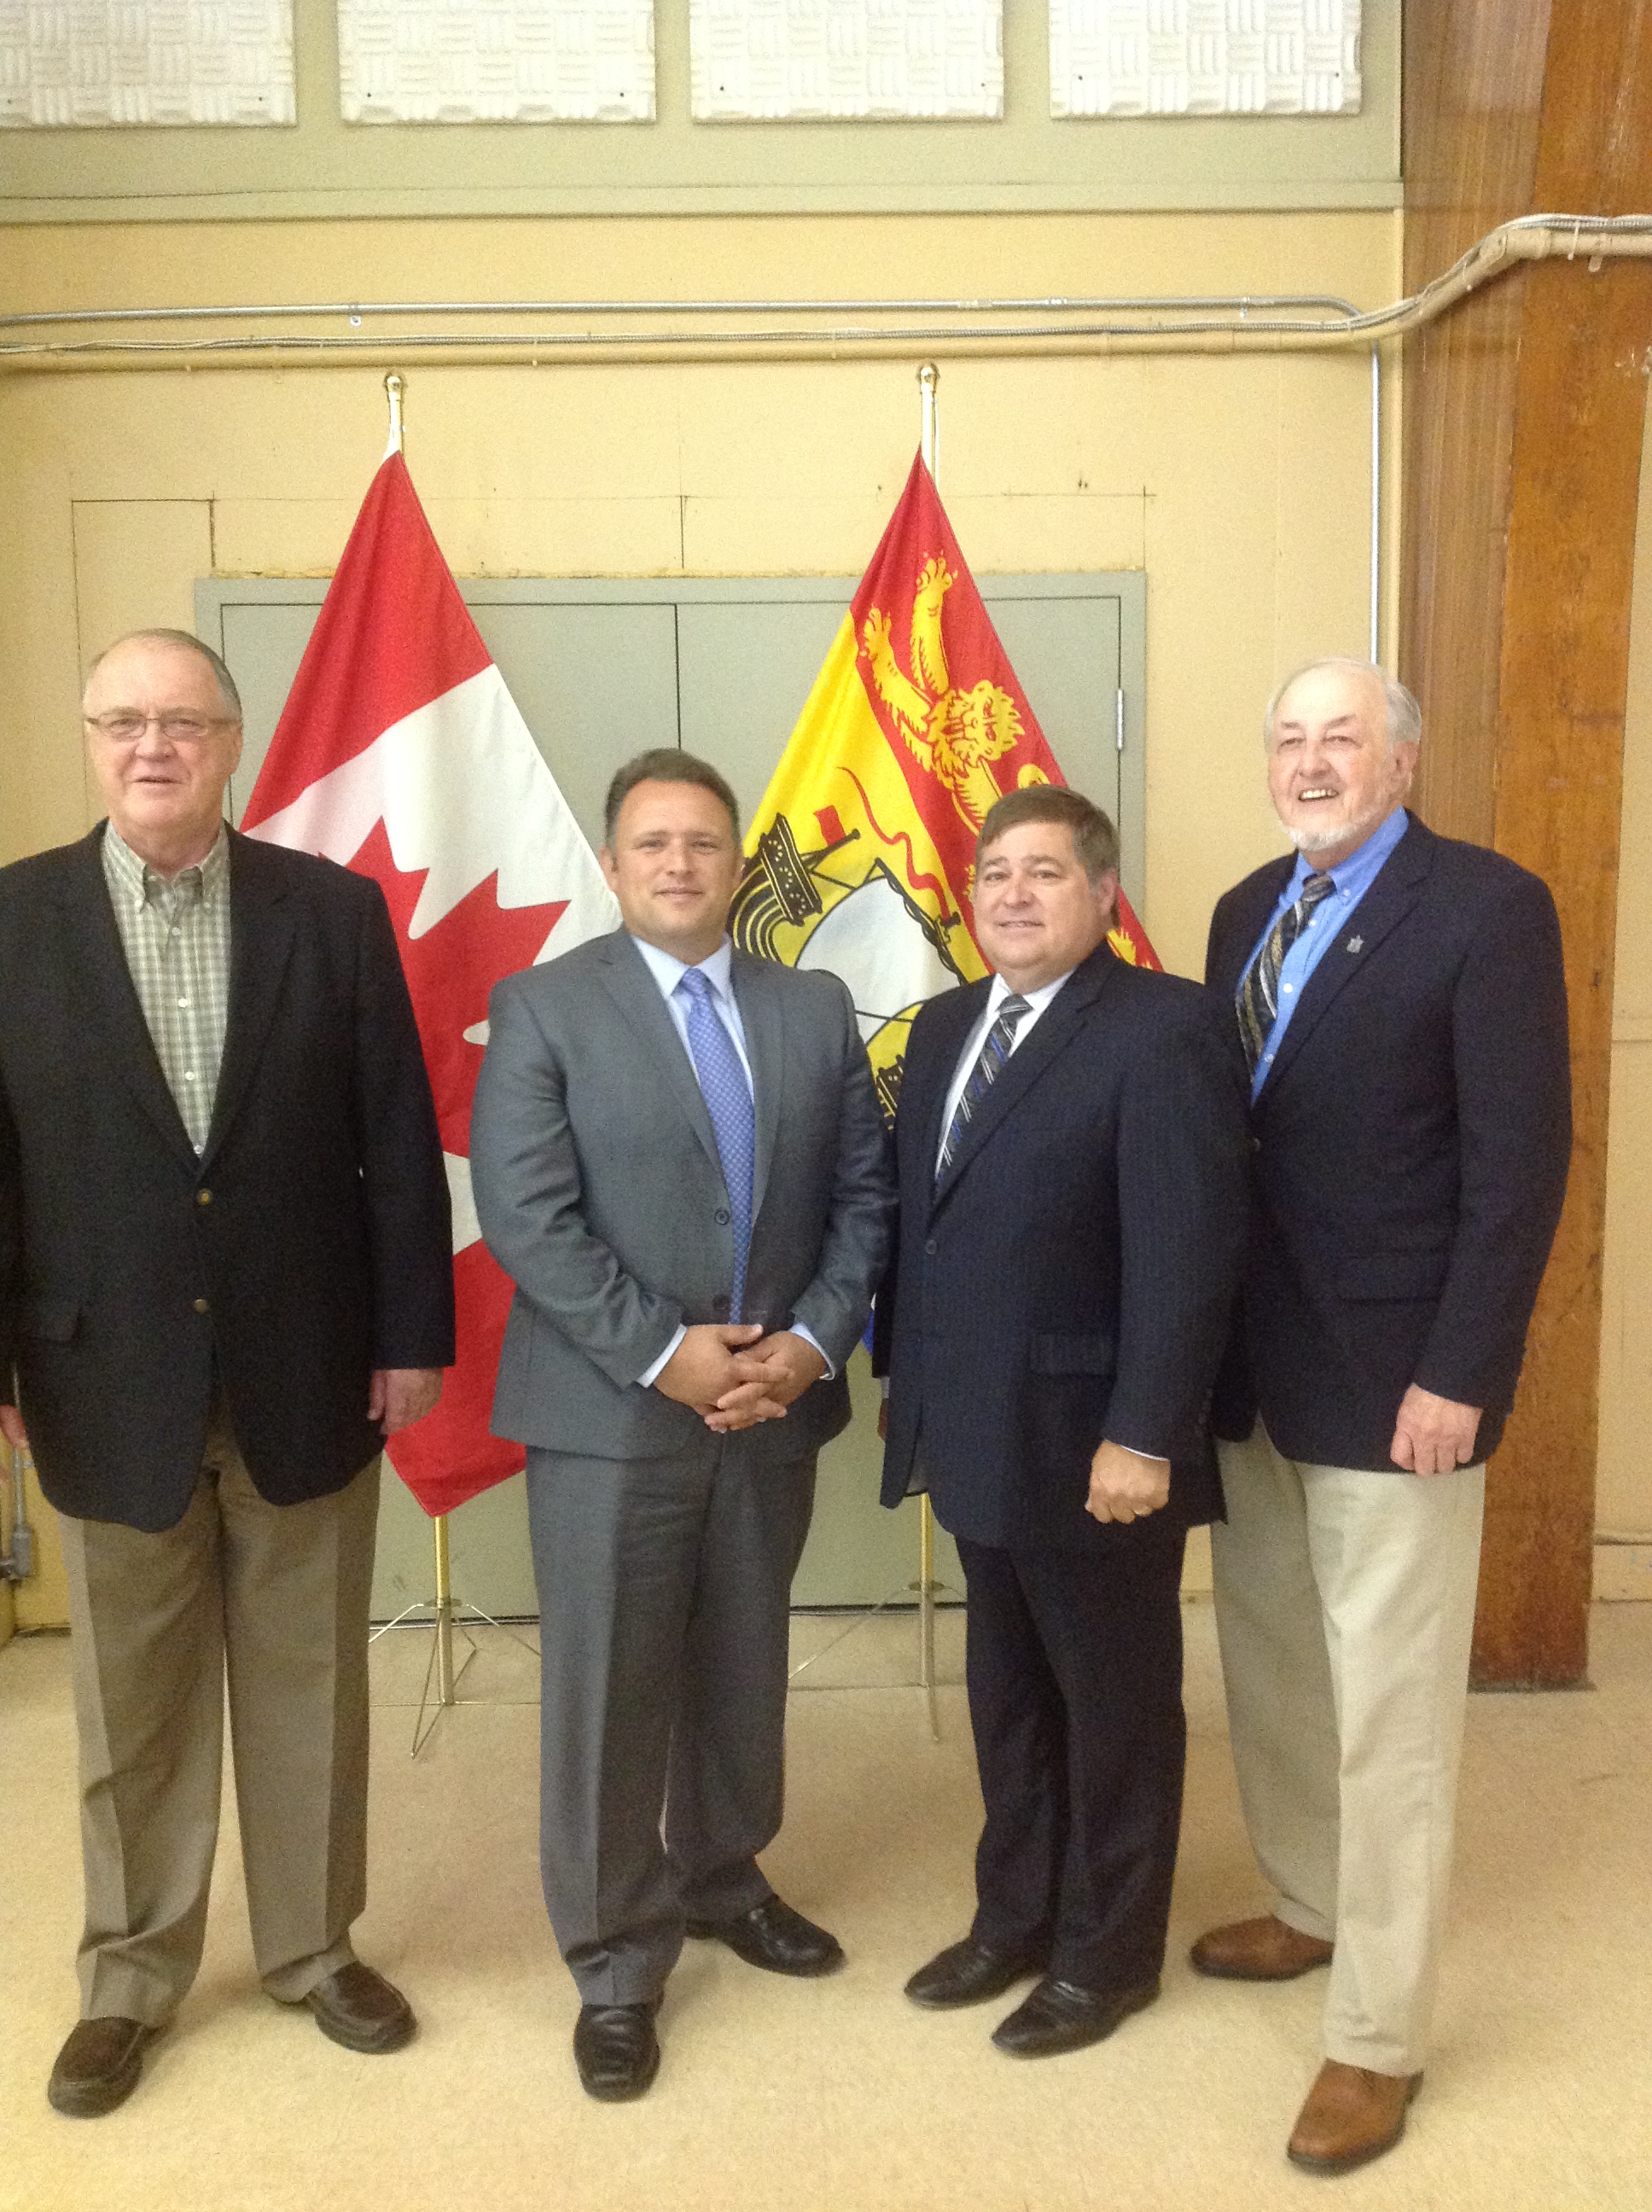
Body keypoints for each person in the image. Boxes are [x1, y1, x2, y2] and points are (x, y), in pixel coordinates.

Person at [0, 630, 454, 2119]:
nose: (151, 746)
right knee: (130, 1707)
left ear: (230, 742)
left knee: (309, 1677)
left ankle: (314, 1950)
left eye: (180, 721)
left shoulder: (330, 913)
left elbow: (396, 1140)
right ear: (88, 740)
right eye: (122, 720)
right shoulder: (13, 922)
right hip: (96, 1375)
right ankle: (129, 1976)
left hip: (312, 1369)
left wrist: (411, 1338)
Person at [469, 748, 893, 2103]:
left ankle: (722, 1876)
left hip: (773, 1405)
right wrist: (670, 1358)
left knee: (741, 1662)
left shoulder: (814, 1006)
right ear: (611, 864)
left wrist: (811, 1341)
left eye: (703, 843)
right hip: (611, 1419)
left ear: (734, 862)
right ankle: (613, 1958)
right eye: (650, 842)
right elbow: (530, 1217)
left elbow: (865, 1200)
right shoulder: (542, 1006)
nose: (677, 863)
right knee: (607, 1697)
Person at [1195, 658, 1572, 2176]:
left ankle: (1377, 2036)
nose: (1311, 760)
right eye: (1289, 738)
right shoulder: (1240, 913)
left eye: (1342, 737)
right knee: (1277, 1668)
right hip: (1256, 1373)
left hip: (1402, 1380)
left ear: (1402, 761)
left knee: (1394, 1725)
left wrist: (1463, 1371)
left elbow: (1519, 1163)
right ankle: (1308, 1904)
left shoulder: (1488, 909)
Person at [875, 785, 1248, 2060]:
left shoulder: (1166, 1029)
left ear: (1101, 893)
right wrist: (906, 1395)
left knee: (1118, 1706)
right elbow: (923, 1238)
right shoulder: (938, 1032)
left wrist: (1147, 1431)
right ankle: (1014, 1916)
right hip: (972, 1435)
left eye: (1045, 873)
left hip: (1100, 1446)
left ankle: (1108, 1953)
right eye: (994, 875)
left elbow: (1188, 1253)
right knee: (1011, 1697)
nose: (1014, 895)